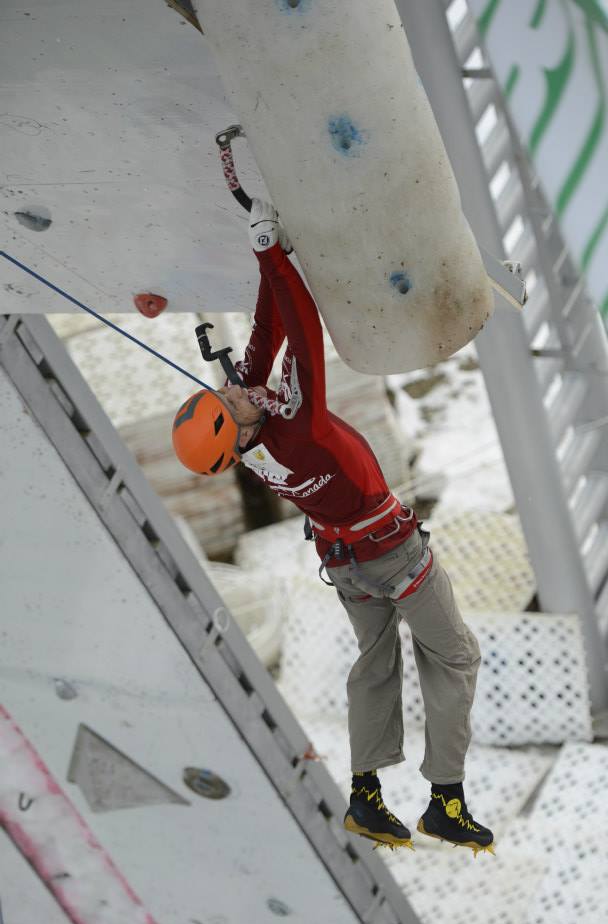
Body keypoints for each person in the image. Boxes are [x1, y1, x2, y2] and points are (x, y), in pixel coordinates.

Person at [172, 199, 494, 856]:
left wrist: (268, 255)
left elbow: (266, 335)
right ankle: (445, 803)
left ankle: (366, 799)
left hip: (347, 564)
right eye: (228, 400)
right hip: (391, 556)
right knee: (453, 658)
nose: (234, 387)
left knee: (374, 668)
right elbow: (302, 329)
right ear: (238, 431)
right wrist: (269, 250)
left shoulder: (258, 442)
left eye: (224, 391)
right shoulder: (303, 430)